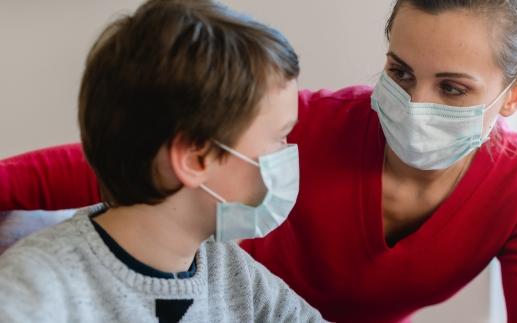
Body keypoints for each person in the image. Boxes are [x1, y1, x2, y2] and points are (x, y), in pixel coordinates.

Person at [0, 0, 517, 322]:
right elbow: (129, 153)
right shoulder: (43, 290)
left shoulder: (236, 281)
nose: (414, 105)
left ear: (515, 93)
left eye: (451, 88)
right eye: (399, 71)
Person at [0, 0, 325, 322]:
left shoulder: (234, 275)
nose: (287, 151)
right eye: (280, 136)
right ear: (195, 160)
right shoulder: (32, 292)